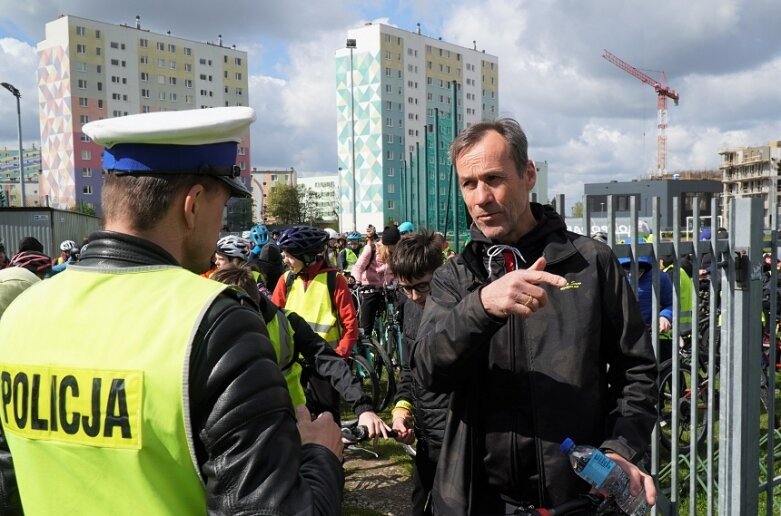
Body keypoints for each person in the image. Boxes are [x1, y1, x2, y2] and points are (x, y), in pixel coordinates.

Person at [0, 107, 343, 515]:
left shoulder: (20, 314)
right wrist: (320, 456)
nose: (220, 228)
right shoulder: (216, 324)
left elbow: (9, 486)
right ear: (193, 204)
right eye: (222, 206)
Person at [411, 118, 657, 514]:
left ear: (528, 175)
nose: (481, 198)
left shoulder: (590, 263)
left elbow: (637, 371)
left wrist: (620, 448)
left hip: (578, 498)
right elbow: (428, 372)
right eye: (468, 184)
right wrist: (481, 306)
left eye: (493, 178)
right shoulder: (455, 277)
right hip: (482, 501)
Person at [212, 263, 389, 438]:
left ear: (250, 303)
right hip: (239, 425)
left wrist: (363, 408)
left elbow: (328, 360)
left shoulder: (287, 322)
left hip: (291, 419)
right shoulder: (211, 327)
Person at [272, 226, 359, 423]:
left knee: (327, 421)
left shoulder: (334, 280)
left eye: (289, 256)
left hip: (324, 365)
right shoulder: (286, 280)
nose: (285, 260)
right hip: (292, 365)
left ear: (307, 256)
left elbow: (350, 325)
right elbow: (273, 317)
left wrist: (339, 357)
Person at [388, 230, 447, 515]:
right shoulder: (410, 307)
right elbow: (410, 370)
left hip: (460, 442)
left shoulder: (463, 308)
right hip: (426, 440)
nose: (414, 296)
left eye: (422, 286)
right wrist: (401, 409)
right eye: (405, 288)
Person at [351, 224, 400, 338]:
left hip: (389, 289)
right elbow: (358, 267)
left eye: (396, 246)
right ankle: (364, 343)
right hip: (371, 289)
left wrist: (399, 282)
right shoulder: (371, 249)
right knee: (366, 326)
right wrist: (357, 281)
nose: (393, 249)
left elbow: (399, 271)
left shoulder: (398, 252)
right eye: (391, 246)